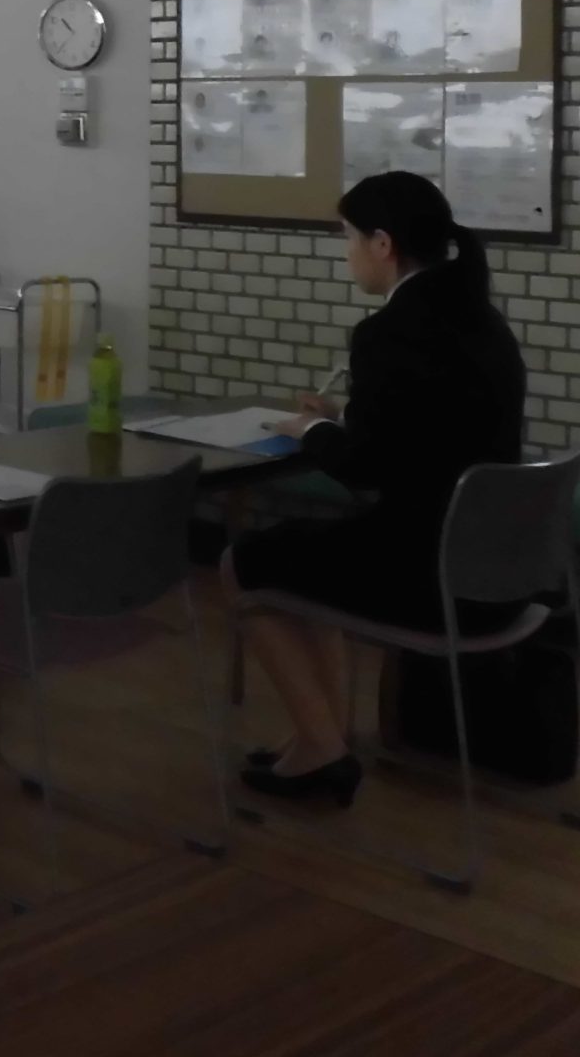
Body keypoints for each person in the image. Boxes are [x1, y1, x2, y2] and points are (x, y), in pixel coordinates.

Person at [227, 172, 525, 807]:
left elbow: (363, 470)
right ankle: (324, 735)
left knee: (245, 563)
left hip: (426, 571)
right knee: (307, 561)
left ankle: (323, 747)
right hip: (500, 572)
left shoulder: (388, 332)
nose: (348, 253)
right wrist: (345, 418)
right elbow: (430, 433)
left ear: (382, 243)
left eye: (349, 237)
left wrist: (313, 430)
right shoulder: (483, 321)